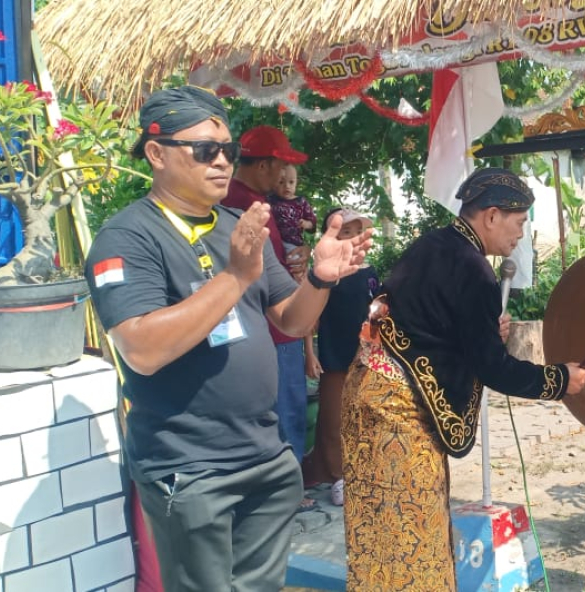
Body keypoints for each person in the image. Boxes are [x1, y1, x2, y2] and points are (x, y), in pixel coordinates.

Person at [84, 86, 371, 591]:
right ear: (156, 153)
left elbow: (292, 319)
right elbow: (143, 350)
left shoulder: (237, 226)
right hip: (191, 469)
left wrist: (322, 278)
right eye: (205, 150)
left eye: (228, 151)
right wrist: (235, 277)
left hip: (264, 457)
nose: (222, 162)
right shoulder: (127, 238)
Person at [340, 168, 585, 589]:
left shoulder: (431, 245)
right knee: (411, 542)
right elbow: (493, 368)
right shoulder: (475, 270)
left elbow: (424, 325)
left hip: (366, 399)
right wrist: (558, 381)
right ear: (492, 216)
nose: (521, 234)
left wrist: (479, 333)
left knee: (377, 534)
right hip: (399, 418)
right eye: (519, 222)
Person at [222, 124, 318, 511]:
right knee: (285, 412)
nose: (285, 176)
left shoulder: (251, 201)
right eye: (281, 166)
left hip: (266, 325)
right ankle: (287, 493)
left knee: (278, 412)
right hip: (273, 328)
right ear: (263, 166)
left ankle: (279, 492)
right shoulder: (244, 205)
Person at [302, 208, 379, 507]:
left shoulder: (370, 273)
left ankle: (365, 471)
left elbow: (378, 311)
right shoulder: (323, 274)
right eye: (343, 232)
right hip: (334, 354)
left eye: (354, 231)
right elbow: (310, 316)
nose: (349, 238)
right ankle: (338, 477)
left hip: (366, 355)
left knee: (365, 417)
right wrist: (310, 352)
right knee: (334, 419)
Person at [270, 163, 318, 268]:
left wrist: (307, 224)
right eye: (281, 182)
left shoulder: (301, 202)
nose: (287, 186)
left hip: (294, 243)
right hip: (273, 242)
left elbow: (313, 222)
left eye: (291, 182)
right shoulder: (270, 200)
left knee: (295, 266)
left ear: (296, 183)